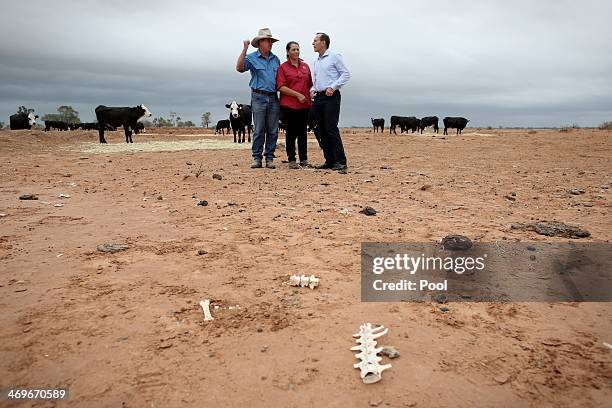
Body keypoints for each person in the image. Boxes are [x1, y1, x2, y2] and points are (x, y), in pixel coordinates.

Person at [236, 28, 281, 169]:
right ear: (260, 43)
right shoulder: (251, 57)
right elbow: (239, 68)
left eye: (271, 41)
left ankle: (269, 158)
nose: (270, 43)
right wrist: (244, 49)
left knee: (273, 130)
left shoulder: (276, 59)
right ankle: (257, 158)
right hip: (258, 97)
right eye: (268, 41)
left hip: (273, 98)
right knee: (259, 129)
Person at [311, 32, 350, 171]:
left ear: (323, 42)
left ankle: (341, 161)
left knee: (331, 128)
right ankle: (329, 161)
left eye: (315, 41)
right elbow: (316, 80)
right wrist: (312, 89)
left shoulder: (334, 57)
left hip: (331, 97)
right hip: (319, 97)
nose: (313, 43)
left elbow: (346, 74)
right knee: (321, 130)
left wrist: (333, 87)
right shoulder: (316, 61)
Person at [277, 41, 313, 169]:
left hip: (305, 105)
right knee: (291, 133)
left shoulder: (305, 66)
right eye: (293, 50)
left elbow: (309, 84)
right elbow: (281, 87)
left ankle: (304, 159)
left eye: (298, 49)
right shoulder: (283, 68)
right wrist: (297, 95)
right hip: (289, 105)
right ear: (287, 52)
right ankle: (292, 159)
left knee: (303, 132)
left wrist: (309, 95)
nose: (296, 52)